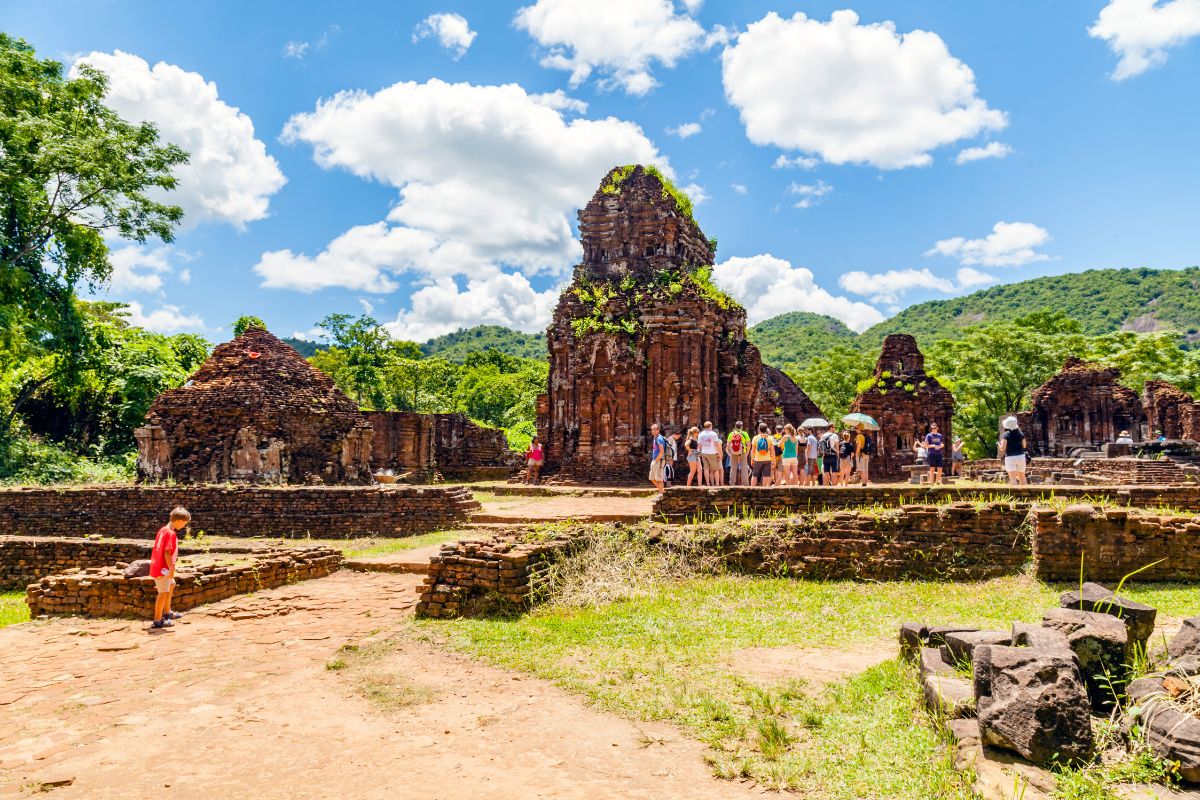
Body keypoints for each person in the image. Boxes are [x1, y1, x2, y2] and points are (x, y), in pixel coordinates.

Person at [151, 506, 190, 629]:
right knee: (163, 592)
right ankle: (158, 620)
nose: (184, 526)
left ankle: (167, 612)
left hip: (158, 565)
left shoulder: (163, 530)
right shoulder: (171, 533)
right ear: (179, 521)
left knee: (171, 585)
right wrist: (171, 568)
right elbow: (167, 552)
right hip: (163, 568)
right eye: (184, 523)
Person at [998, 416, 1027, 485]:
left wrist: (998, 445)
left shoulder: (1006, 435)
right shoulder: (1021, 434)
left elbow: (1002, 448)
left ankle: (1014, 495)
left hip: (1010, 457)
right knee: (1022, 477)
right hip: (1021, 456)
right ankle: (1026, 494)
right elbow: (1024, 446)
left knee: (1013, 478)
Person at [697, 421, 724, 487]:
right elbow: (717, 445)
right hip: (712, 452)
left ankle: (708, 483)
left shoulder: (701, 434)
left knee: (706, 469)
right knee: (716, 469)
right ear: (711, 426)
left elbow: (699, 445)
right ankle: (717, 484)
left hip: (703, 452)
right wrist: (719, 453)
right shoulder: (713, 434)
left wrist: (698, 453)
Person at [726, 421, 750, 486]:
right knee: (744, 468)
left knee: (733, 468)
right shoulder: (745, 434)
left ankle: (732, 483)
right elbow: (748, 444)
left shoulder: (731, 434)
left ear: (735, 426)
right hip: (743, 452)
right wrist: (747, 453)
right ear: (742, 427)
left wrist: (730, 454)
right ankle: (745, 483)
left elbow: (728, 446)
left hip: (734, 452)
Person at [648, 423, 668, 494]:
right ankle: (662, 492)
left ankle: (661, 494)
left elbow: (661, 451)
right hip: (655, 460)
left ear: (658, 430)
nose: (653, 431)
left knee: (659, 478)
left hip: (658, 460)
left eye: (655, 429)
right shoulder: (655, 438)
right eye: (652, 429)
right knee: (652, 478)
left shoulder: (659, 438)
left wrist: (656, 460)